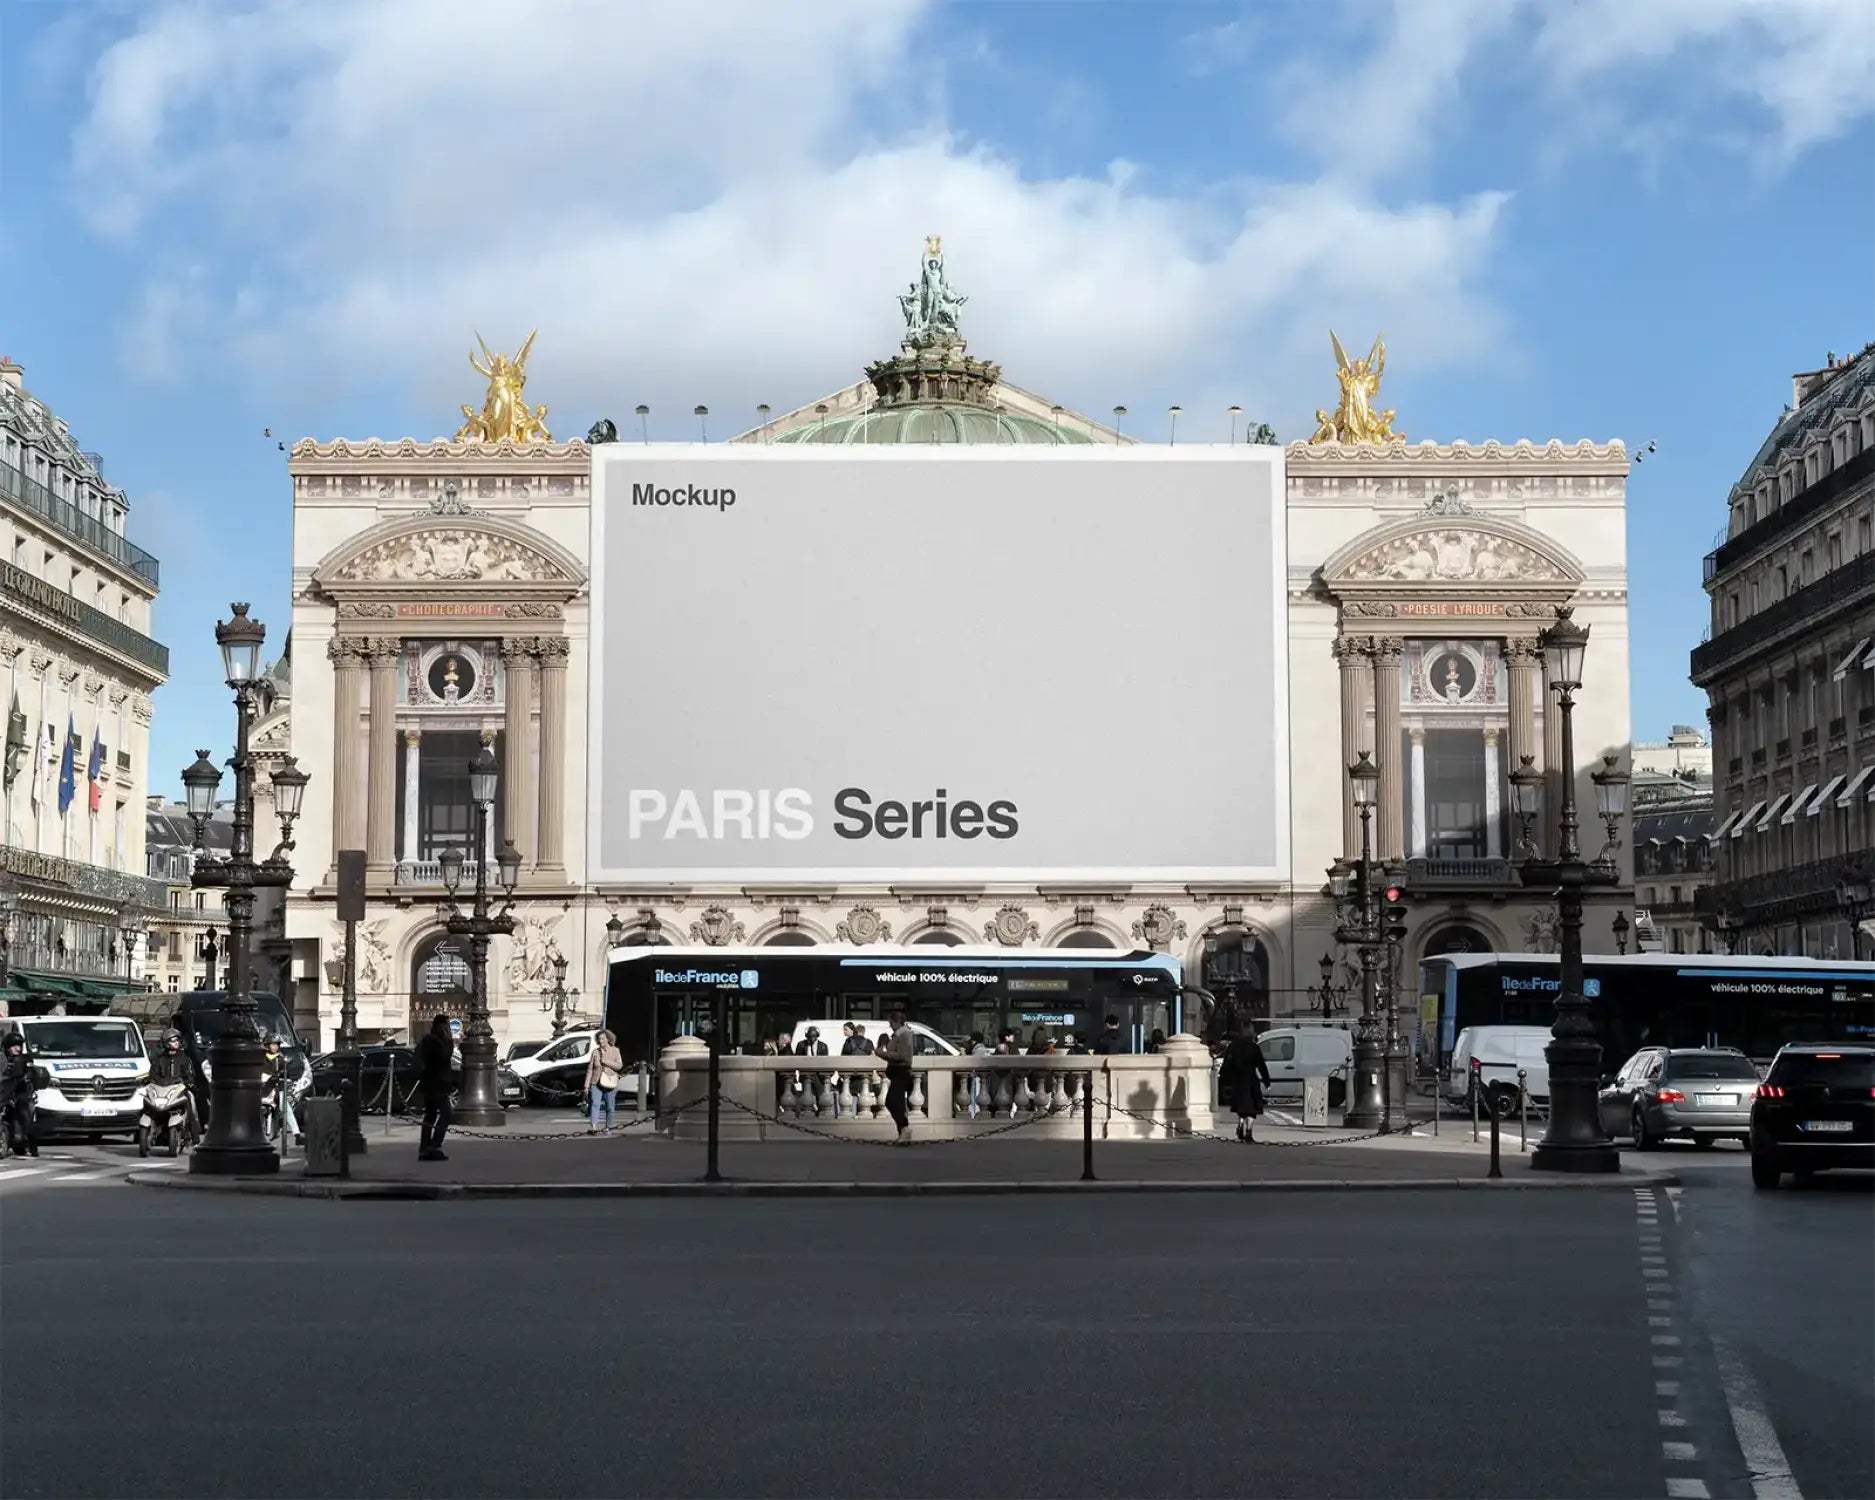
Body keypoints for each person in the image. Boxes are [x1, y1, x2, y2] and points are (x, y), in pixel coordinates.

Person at [1218, 1022, 1274, 1143]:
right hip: (1251, 1078)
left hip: (1238, 1079)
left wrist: (1224, 1076)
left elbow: (1227, 1063)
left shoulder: (1233, 1046)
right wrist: (1266, 1081)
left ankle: (1241, 1124)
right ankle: (1249, 1131)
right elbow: (1261, 1065)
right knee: (1253, 1107)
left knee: (1241, 1105)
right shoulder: (1254, 1047)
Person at [146, 1029, 201, 1140]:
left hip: (179, 1089)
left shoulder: (185, 1059)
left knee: (191, 1100)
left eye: (177, 1040)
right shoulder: (159, 1059)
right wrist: (148, 1080)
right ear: (166, 1043)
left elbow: (190, 1074)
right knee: (147, 1102)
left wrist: (189, 1083)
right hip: (162, 1090)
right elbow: (153, 1074)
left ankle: (195, 1136)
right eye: (173, 1041)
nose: (176, 1043)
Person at [416, 1014, 454, 1162]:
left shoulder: (430, 1040)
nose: (447, 1028)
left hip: (431, 1083)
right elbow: (443, 1058)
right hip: (436, 1083)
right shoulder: (434, 1041)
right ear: (439, 1026)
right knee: (446, 1114)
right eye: (446, 1025)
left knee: (430, 1115)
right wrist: (450, 1042)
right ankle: (434, 1146)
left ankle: (425, 1147)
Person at [880, 1009, 916, 1145]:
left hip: (901, 1072)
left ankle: (905, 1129)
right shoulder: (897, 1035)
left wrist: (883, 1054)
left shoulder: (904, 1034)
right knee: (896, 1103)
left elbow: (903, 1056)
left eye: (891, 1022)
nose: (890, 1025)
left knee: (893, 1102)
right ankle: (902, 1133)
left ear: (897, 1022)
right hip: (896, 1072)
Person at [1, 1030, 38, 1157]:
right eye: (14, 1046)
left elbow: (32, 1073)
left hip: (20, 1092)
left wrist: (27, 1076)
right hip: (4, 1091)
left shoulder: (25, 1059)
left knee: (25, 1116)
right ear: (7, 1048)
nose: (17, 1048)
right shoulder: (2, 1060)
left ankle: (32, 1146)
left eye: (19, 1045)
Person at [585, 1027, 623, 1134]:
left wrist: (606, 1061)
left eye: (602, 1039)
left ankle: (608, 1127)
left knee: (610, 1107)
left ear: (608, 1039)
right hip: (596, 1082)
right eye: (599, 1039)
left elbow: (619, 1066)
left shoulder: (615, 1051)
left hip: (610, 1082)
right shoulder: (595, 1052)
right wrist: (586, 1085)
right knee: (595, 1104)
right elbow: (590, 1069)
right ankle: (594, 1126)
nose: (600, 1041)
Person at [795, 1026, 830, 1114]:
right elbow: (796, 1059)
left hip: (818, 1075)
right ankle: (807, 1112)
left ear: (817, 1036)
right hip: (806, 1073)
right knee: (806, 1095)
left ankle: (820, 1112)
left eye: (814, 1036)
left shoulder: (823, 1046)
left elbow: (825, 1061)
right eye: (810, 1037)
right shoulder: (801, 1045)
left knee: (820, 1095)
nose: (812, 1039)